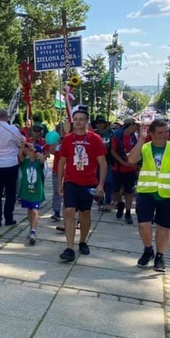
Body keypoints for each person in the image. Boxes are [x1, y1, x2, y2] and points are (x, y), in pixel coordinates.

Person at [128, 119, 170, 272]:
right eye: (160, 133)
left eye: (166, 132)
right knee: (143, 224)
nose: (164, 136)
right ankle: (148, 249)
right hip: (146, 192)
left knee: (163, 228)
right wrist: (141, 139)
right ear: (151, 133)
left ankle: (160, 256)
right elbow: (131, 160)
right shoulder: (144, 148)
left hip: (168, 194)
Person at [57, 107, 107, 262]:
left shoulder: (95, 139)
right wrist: (59, 182)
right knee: (69, 211)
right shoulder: (67, 139)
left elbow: (103, 163)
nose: (78, 122)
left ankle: (83, 241)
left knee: (85, 214)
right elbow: (62, 162)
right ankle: (69, 248)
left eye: (81, 119)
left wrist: (101, 185)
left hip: (88, 182)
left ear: (86, 121)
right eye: (76, 119)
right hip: (71, 181)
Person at [0, 109, 24, 228]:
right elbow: (20, 142)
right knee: (10, 193)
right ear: (7, 116)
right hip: (10, 164)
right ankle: (9, 218)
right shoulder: (12, 129)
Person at [110, 117, 140, 225]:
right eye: (136, 125)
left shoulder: (135, 137)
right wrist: (122, 162)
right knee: (116, 190)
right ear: (130, 125)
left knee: (129, 191)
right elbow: (113, 151)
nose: (137, 127)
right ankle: (120, 203)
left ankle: (128, 212)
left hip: (130, 169)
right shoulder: (117, 136)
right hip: (118, 168)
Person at [19, 141, 46, 245]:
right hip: (26, 191)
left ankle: (34, 231)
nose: (29, 152)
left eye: (31, 151)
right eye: (28, 150)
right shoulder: (25, 162)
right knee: (29, 211)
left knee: (35, 211)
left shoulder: (38, 163)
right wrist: (22, 146)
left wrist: (35, 150)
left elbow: (42, 159)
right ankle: (31, 228)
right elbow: (20, 157)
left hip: (36, 192)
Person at [93, 115, 113, 212]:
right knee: (97, 182)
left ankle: (108, 201)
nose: (99, 125)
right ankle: (100, 201)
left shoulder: (110, 133)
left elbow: (114, 148)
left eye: (101, 123)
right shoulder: (94, 135)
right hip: (96, 163)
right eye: (97, 123)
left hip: (108, 161)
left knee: (108, 182)